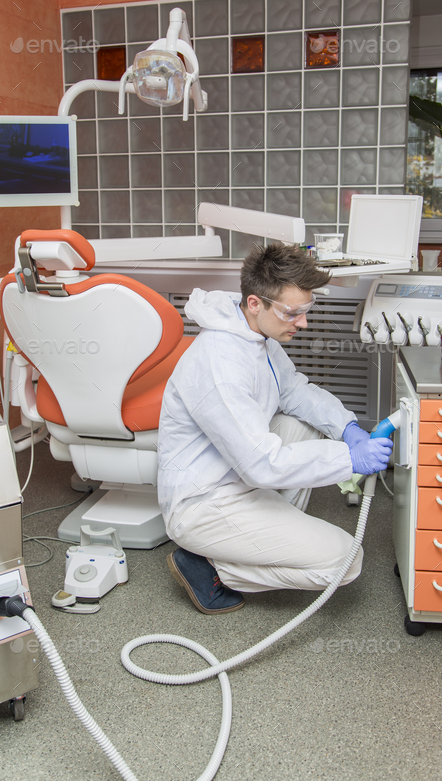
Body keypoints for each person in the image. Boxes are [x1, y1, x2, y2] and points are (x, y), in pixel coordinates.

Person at [157, 242, 393, 615]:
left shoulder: (255, 335)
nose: (303, 322)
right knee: (346, 561)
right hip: (203, 503)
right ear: (256, 303)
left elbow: (294, 390)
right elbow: (262, 464)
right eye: (292, 313)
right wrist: (348, 458)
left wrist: (347, 427)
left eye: (306, 310)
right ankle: (211, 566)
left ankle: (268, 535)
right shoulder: (220, 362)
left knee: (301, 425)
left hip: (235, 475)